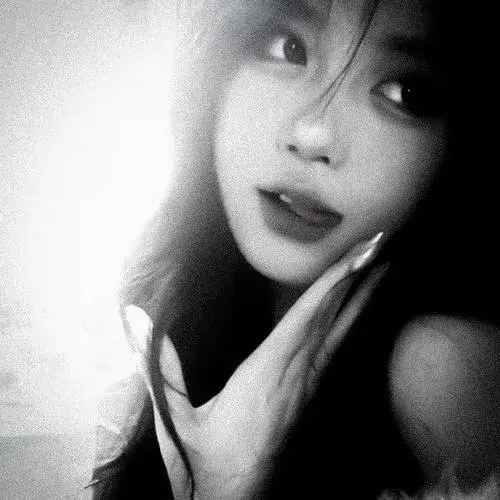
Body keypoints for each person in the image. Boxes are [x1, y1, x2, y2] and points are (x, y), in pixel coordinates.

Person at [89, 0, 500, 498]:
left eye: (404, 92)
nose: (313, 135)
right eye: (288, 48)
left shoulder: (445, 369)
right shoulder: (171, 330)